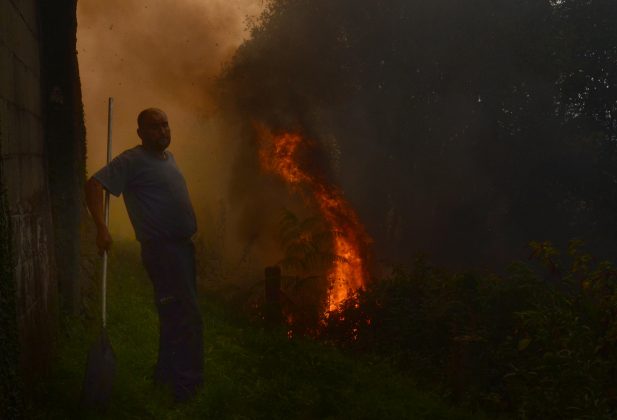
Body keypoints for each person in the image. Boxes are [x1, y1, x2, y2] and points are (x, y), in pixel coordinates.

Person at [85, 108, 204, 402]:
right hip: (163, 251)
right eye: (154, 127)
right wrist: (101, 228)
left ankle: (164, 378)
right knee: (187, 317)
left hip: (182, 248)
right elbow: (94, 184)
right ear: (140, 132)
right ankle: (186, 389)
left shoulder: (169, 158)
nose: (162, 131)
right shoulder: (133, 160)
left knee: (173, 315)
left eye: (165, 124)